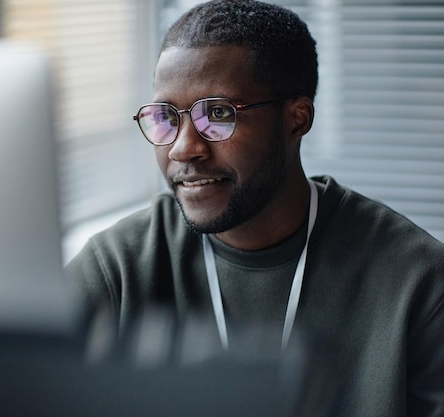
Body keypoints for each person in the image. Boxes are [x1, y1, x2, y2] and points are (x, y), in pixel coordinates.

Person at [65, 0, 444, 415]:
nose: (183, 148)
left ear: (296, 119)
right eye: (167, 117)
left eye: (219, 113)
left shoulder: (418, 281)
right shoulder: (117, 268)